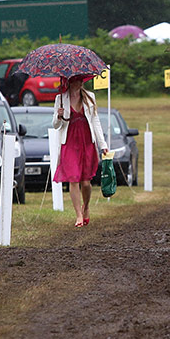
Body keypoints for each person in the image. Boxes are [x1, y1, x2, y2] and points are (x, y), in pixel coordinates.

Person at [52, 75, 108, 227]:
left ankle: (86, 206)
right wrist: (59, 115)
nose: (80, 82)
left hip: (86, 141)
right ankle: (78, 215)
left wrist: (103, 144)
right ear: (70, 81)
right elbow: (55, 125)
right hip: (69, 142)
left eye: (81, 80)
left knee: (86, 182)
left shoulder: (90, 97)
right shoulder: (61, 98)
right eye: (77, 80)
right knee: (73, 178)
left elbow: (95, 121)